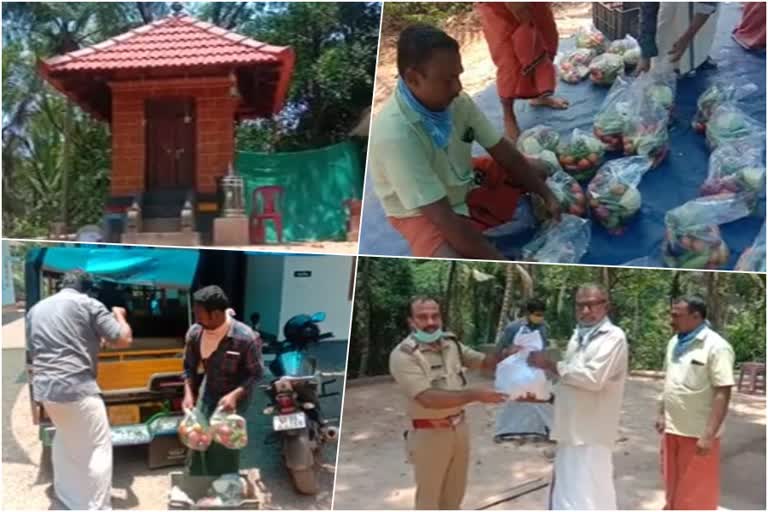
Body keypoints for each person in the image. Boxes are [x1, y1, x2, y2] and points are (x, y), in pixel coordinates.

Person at [369, 24, 561, 260]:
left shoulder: (458, 102)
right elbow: (443, 217)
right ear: (412, 78)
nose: (458, 87)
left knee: (539, 171)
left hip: (460, 174)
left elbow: (503, 151)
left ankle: (481, 212)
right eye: (447, 80)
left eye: (458, 75)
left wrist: (546, 194)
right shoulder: (395, 135)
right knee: (450, 255)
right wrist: (502, 265)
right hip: (418, 209)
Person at [389, 296, 512, 509]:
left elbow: (483, 362)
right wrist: (474, 395)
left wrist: (507, 354)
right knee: (429, 499)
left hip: (459, 430)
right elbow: (427, 398)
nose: (430, 322)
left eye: (435, 315)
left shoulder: (451, 344)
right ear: (411, 321)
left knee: (454, 496)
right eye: (422, 317)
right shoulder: (403, 355)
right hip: (429, 435)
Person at [26, 270, 133, 510]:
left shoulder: (37, 309)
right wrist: (119, 315)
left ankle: (69, 498)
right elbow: (123, 339)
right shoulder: (89, 304)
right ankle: (97, 505)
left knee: (65, 441)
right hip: (77, 388)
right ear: (87, 289)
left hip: (45, 389)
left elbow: (38, 348)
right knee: (98, 447)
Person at [528, 284, 628, 510]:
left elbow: (593, 379)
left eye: (592, 305)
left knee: (589, 492)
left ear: (606, 306)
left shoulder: (613, 338)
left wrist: (551, 365)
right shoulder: (578, 335)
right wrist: (545, 395)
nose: (585, 311)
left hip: (591, 432)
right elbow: (570, 379)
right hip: (570, 429)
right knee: (569, 490)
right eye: (580, 306)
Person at [657, 296, 735, 510]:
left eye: (677, 315)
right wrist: (661, 413)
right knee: (672, 482)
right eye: (671, 314)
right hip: (672, 429)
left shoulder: (717, 347)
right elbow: (669, 380)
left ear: (696, 316)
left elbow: (723, 391)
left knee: (697, 490)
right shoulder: (674, 342)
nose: (671, 320)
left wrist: (708, 435)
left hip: (697, 433)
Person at [182, 285, 263, 476]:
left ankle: (226, 486)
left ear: (216, 314)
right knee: (198, 435)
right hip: (209, 391)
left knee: (224, 441)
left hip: (236, 396)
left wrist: (235, 395)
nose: (196, 319)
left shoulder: (246, 338)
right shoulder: (195, 333)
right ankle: (198, 480)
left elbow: (256, 374)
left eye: (200, 314)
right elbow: (188, 367)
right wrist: (188, 393)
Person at [475, 2, 570, 140]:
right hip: (500, 12)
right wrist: (526, 25)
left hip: (534, 6)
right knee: (510, 64)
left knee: (546, 45)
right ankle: (509, 116)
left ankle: (539, 97)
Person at [494, 298, 554, 443]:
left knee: (541, 397)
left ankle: (548, 428)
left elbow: (543, 349)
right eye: (536, 314)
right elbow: (499, 351)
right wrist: (511, 351)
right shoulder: (513, 328)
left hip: (535, 368)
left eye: (541, 314)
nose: (539, 317)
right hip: (516, 369)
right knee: (516, 398)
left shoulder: (544, 328)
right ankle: (505, 430)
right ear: (528, 313)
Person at [636, 3, 720, 76]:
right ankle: (676, 68)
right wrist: (645, 52)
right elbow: (648, 8)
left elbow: (707, 6)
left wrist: (685, 39)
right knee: (666, 34)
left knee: (701, 39)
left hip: (699, 11)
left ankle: (699, 60)